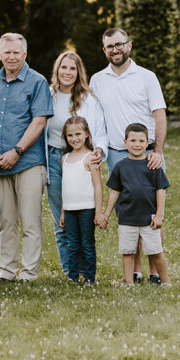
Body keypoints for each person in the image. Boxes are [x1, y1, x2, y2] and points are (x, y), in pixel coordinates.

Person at [89, 26, 167, 282]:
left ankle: (155, 272)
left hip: (147, 152)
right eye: (110, 46)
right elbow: (95, 119)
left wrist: (157, 151)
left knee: (152, 210)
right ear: (104, 50)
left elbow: (159, 116)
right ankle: (134, 271)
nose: (116, 49)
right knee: (127, 213)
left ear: (129, 45)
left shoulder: (146, 77)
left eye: (119, 44)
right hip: (116, 154)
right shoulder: (97, 80)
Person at [0, 32, 53, 282]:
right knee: (6, 222)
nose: (11, 56)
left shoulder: (37, 82)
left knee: (30, 221)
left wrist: (17, 152)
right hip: (0, 164)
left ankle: (28, 273)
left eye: (16, 52)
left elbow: (39, 122)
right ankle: (6, 271)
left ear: (24, 54)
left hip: (28, 163)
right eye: (6, 52)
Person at [46, 50, 108, 275]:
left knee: (84, 218)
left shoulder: (88, 99)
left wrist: (99, 151)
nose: (67, 72)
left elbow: (100, 131)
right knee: (62, 220)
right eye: (64, 67)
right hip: (55, 159)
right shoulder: (48, 94)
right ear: (57, 70)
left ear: (78, 72)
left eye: (72, 68)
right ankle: (70, 271)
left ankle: (86, 270)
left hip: (83, 161)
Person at [101, 123, 171, 286]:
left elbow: (160, 191)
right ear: (125, 142)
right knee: (128, 252)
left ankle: (165, 281)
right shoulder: (120, 167)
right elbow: (114, 192)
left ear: (147, 143)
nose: (137, 144)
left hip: (149, 219)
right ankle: (128, 282)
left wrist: (159, 215)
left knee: (156, 252)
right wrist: (106, 214)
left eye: (141, 141)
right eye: (133, 140)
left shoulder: (153, 165)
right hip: (127, 218)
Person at [59, 116, 105, 286]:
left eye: (78, 134)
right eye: (70, 135)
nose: (74, 139)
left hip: (87, 209)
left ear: (86, 134)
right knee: (72, 244)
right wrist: (63, 211)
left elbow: (98, 186)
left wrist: (98, 211)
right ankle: (72, 276)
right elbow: (64, 187)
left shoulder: (90, 158)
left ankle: (89, 277)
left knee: (86, 243)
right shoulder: (65, 159)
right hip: (70, 210)